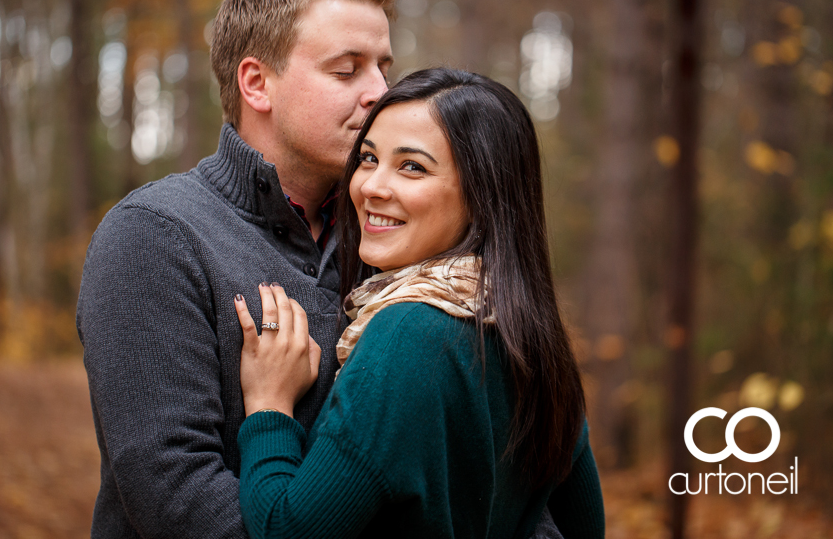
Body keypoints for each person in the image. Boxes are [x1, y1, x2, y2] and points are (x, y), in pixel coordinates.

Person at [77, 0, 402, 538]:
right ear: (256, 83)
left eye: (384, 67)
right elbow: (176, 498)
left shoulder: (390, 241)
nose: (380, 92)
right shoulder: (156, 235)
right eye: (347, 70)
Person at [232, 68, 606, 538]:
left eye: (412, 167)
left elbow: (287, 530)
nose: (370, 186)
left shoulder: (408, 335)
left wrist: (269, 407)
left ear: (482, 197)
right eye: (368, 158)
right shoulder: (531, 337)